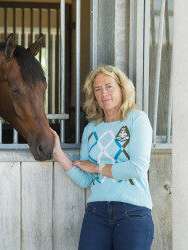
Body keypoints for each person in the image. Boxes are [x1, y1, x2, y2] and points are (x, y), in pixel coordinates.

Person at [51, 65, 154, 249]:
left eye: (109, 86)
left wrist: (98, 168)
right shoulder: (91, 129)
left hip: (132, 212)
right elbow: (85, 179)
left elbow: (138, 167)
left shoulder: (137, 119)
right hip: (96, 213)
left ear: (122, 89)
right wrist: (58, 152)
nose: (103, 93)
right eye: (97, 89)